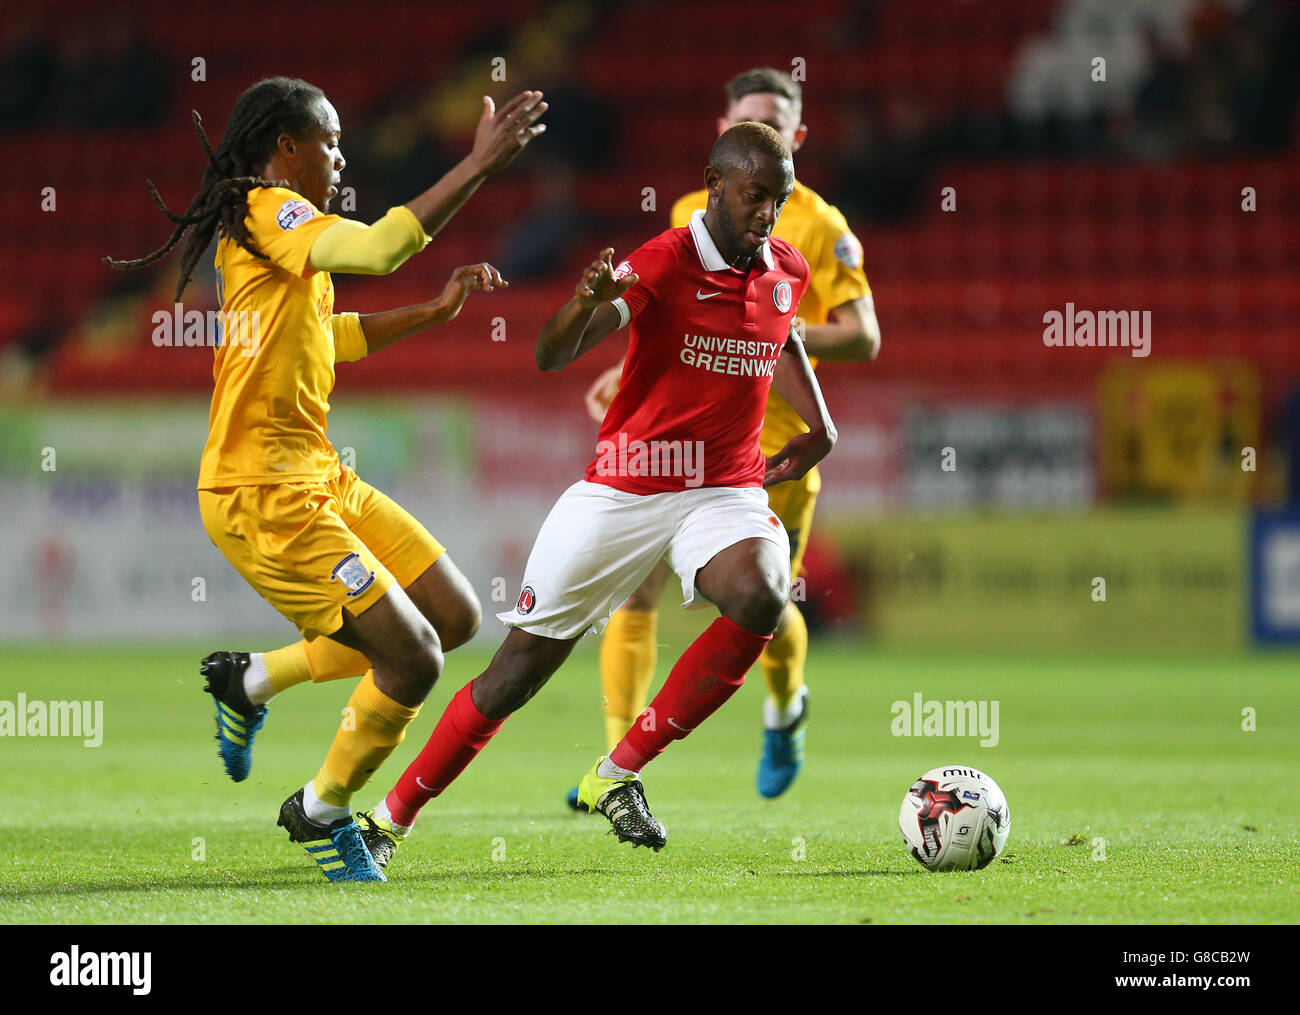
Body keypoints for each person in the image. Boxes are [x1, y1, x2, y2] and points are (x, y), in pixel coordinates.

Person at [358, 121, 837, 865]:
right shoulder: (664, 261)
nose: (766, 213)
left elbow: (786, 332)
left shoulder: (787, 268)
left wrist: (822, 425)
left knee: (763, 592)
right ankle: (390, 817)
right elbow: (552, 354)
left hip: (722, 488)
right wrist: (584, 303)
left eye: (776, 199)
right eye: (754, 196)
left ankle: (618, 771)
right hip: (626, 487)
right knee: (514, 674)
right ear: (715, 184)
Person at [105, 76, 547, 881]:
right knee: (412, 657)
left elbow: (325, 336)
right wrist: (478, 166)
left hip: (315, 472)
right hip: (263, 493)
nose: (340, 154)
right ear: (285, 147)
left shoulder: (276, 232)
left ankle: (251, 679)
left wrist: (431, 310)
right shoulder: (271, 209)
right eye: (329, 140)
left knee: (448, 616)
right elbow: (380, 248)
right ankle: (322, 809)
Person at [575, 68, 879, 802]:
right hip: (679, 442)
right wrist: (629, 374)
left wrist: (770, 322)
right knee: (634, 593)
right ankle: (616, 758)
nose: (765, 132)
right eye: (748, 120)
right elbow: (668, 309)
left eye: (778, 121)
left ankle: (784, 709)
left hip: (770, 452)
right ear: (722, 133)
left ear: (799, 136)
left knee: (766, 600)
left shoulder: (822, 227)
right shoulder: (692, 210)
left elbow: (864, 336)